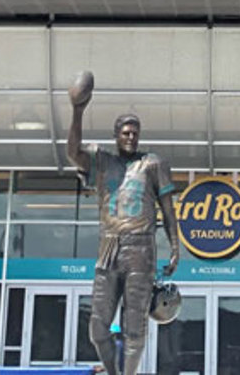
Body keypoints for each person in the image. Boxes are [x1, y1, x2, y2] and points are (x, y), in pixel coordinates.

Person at [65, 73, 180, 375]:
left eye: (135, 133)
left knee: (134, 326)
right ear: (116, 135)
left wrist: (176, 246)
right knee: (97, 327)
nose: (131, 137)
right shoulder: (102, 161)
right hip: (108, 246)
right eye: (126, 133)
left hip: (141, 248)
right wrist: (78, 110)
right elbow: (72, 152)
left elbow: (168, 210)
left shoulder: (153, 164)